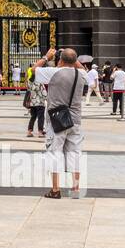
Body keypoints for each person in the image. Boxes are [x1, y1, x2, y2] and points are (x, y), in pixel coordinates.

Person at [42, 48, 85, 199]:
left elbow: (33, 71)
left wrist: (46, 57)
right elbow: (80, 67)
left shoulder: (54, 72)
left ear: (60, 60)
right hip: (75, 120)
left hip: (57, 120)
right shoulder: (82, 74)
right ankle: (75, 189)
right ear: (74, 61)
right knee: (75, 153)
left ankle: (55, 189)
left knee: (55, 153)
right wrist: (74, 60)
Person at [26, 55, 49, 137]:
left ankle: (29, 131)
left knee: (33, 117)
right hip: (40, 102)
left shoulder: (29, 81)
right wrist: (47, 99)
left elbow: (29, 89)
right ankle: (40, 132)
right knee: (41, 117)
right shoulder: (39, 81)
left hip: (32, 102)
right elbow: (43, 93)